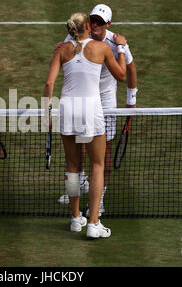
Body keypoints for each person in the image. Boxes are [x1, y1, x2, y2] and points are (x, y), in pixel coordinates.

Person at [44, 12, 127, 238]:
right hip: (91, 110)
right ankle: (93, 223)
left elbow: (49, 82)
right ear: (88, 26)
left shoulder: (62, 49)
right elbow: (121, 76)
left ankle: (75, 217)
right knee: (97, 165)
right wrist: (121, 48)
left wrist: (46, 112)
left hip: (67, 109)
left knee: (72, 167)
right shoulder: (102, 48)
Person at [56, 4, 138, 218]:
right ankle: (80, 188)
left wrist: (131, 99)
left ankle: (98, 199)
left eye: (100, 22)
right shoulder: (75, 37)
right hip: (84, 102)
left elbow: (128, 70)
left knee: (103, 154)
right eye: (93, 20)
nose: (95, 25)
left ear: (108, 24)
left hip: (106, 104)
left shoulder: (116, 42)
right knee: (78, 155)